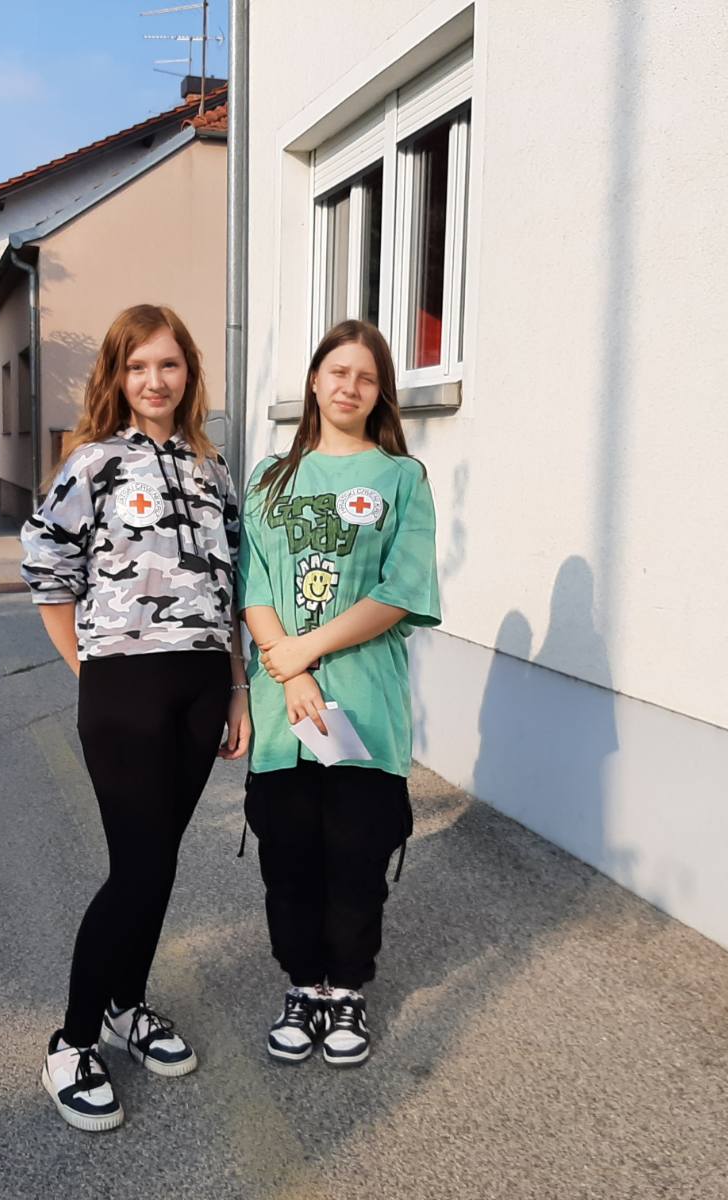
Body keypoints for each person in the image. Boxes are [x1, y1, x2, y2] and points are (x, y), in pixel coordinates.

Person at [21, 303, 249, 1131]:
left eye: (169, 364)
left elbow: (230, 588)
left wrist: (237, 690)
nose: (155, 380)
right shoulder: (93, 463)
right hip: (124, 684)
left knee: (160, 861)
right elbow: (45, 567)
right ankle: (73, 1040)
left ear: (189, 373)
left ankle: (127, 1004)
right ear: (117, 376)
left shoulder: (212, 469)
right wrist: (89, 672)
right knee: (138, 868)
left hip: (202, 685)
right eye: (138, 365)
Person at [237, 319, 441, 1067]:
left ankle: (346, 989)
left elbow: (401, 591)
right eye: (338, 371)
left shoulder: (401, 478)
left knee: (357, 860)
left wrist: (307, 651)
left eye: (366, 376)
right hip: (282, 709)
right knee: (289, 861)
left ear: (381, 392)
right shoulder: (269, 478)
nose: (350, 386)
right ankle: (303, 986)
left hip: (363, 709)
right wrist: (289, 671)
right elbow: (253, 584)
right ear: (314, 381)